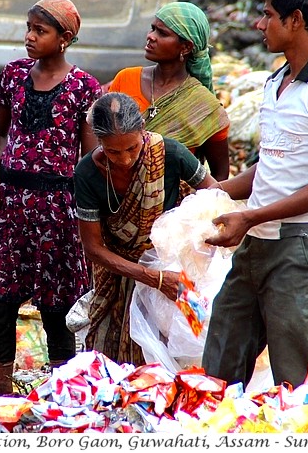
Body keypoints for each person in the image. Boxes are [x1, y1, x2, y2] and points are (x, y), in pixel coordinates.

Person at [201, 0, 308, 389]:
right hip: (256, 245)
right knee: (218, 364)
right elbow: (270, 165)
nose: (259, 24)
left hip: (300, 249)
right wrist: (218, 193)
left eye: (267, 15)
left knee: (298, 381)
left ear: (296, 21)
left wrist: (250, 218)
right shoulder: (276, 81)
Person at [0, 0, 102, 396]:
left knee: (58, 304)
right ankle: (1, 393)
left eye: (40, 31)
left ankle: (62, 394)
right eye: (28, 28)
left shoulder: (83, 88)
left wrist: (90, 211)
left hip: (58, 210)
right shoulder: (14, 76)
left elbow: (89, 157)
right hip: (9, 203)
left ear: (65, 38)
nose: (29, 37)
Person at [74, 92, 219, 365]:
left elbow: (213, 195)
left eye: (132, 148)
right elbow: (93, 248)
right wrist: (152, 277)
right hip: (117, 269)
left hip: (174, 268)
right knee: (111, 355)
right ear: (98, 141)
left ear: (143, 131)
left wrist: (192, 242)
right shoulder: (87, 173)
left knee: (183, 345)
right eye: (113, 151)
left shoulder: (170, 153)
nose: (125, 159)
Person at [108, 1, 230, 180]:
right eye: (152, 29)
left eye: (162, 33)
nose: (151, 36)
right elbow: (103, 141)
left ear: (186, 47)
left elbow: (220, 174)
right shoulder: (125, 79)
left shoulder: (203, 105)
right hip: (117, 200)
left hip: (177, 205)